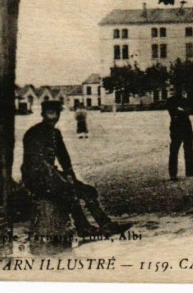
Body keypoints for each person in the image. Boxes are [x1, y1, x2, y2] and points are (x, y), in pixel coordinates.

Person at [21, 100, 131, 237]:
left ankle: (106, 225)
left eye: (57, 113)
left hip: (52, 176)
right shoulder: (34, 133)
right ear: (43, 114)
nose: (54, 117)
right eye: (50, 113)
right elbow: (37, 162)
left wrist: (70, 176)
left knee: (87, 191)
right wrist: (62, 180)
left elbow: (64, 158)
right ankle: (83, 227)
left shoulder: (55, 133)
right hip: (36, 178)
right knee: (69, 193)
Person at [167, 88, 193, 180]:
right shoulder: (171, 101)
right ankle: (173, 174)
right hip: (176, 127)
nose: (179, 92)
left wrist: (183, 110)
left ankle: (190, 170)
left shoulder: (186, 100)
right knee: (174, 150)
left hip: (186, 126)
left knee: (189, 149)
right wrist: (185, 110)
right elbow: (173, 111)